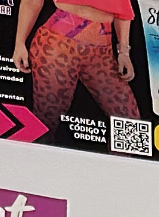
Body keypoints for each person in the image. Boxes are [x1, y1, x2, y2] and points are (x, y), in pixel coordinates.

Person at [13, 1, 141, 140]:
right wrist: (20, 43)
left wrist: (124, 52)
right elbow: (32, 2)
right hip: (57, 44)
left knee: (129, 121)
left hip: (102, 52)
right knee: (47, 119)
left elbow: (123, 10)